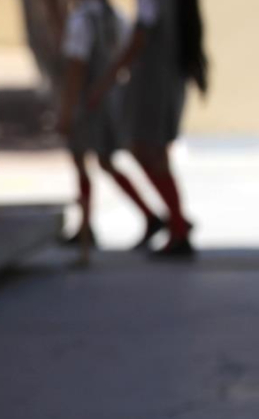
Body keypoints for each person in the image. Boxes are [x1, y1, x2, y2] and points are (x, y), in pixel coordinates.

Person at [91, 0, 209, 256]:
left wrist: (107, 78)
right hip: (165, 82)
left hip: (154, 84)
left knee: (146, 150)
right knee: (153, 153)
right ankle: (175, 222)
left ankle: (177, 225)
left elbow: (139, 38)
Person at [57, 0, 163, 256]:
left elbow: (76, 66)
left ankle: (86, 227)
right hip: (109, 98)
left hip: (89, 99)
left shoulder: (83, 20)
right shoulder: (114, 16)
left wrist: (68, 109)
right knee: (105, 160)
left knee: (83, 158)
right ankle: (144, 216)